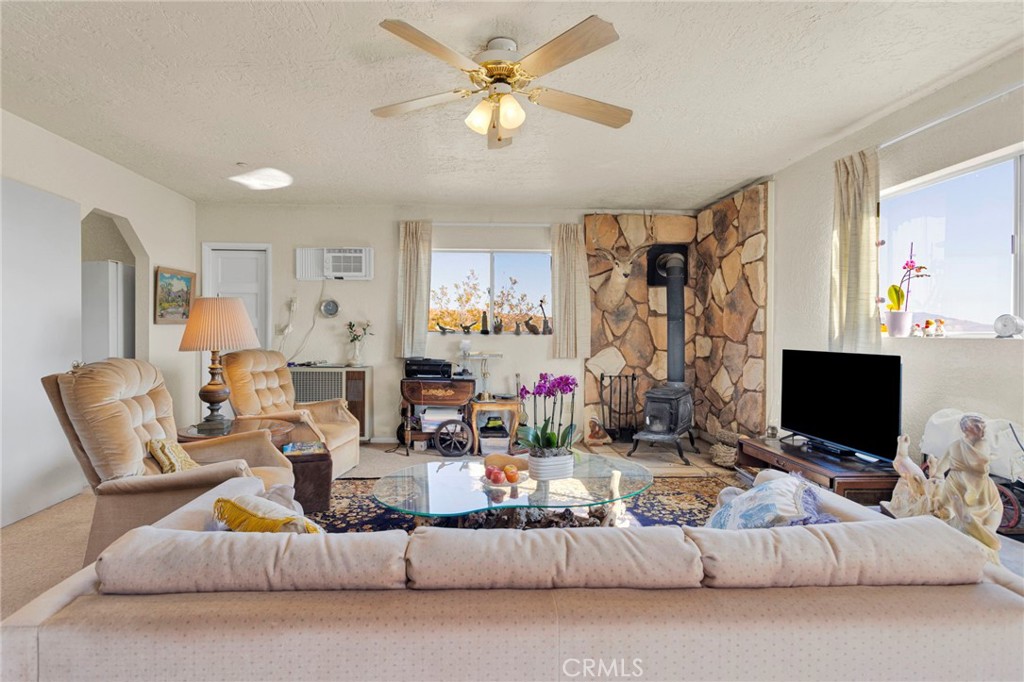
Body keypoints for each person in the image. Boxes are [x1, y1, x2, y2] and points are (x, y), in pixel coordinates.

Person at [930, 414, 1002, 558]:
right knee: (995, 508)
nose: (982, 430)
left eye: (982, 427)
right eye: (978, 427)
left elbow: (941, 468)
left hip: (956, 481)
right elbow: (980, 464)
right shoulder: (982, 443)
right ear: (967, 429)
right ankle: (983, 530)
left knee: (950, 508)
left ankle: (972, 526)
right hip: (977, 483)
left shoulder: (955, 445)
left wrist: (936, 476)